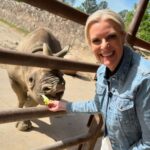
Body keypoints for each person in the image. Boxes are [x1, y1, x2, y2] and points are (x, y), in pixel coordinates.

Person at [48, 9, 150, 150]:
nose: (104, 46)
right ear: (90, 45)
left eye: (111, 37)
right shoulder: (102, 71)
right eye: (96, 40)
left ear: (123, 37)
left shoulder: (145, 79)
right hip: (110, 142)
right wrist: (66, 106)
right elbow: (99, 104)